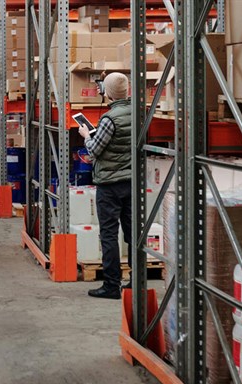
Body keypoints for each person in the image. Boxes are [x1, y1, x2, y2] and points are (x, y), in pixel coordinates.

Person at [77, 72, 132, 300]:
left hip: (110, 184)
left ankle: (111, 285)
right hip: (131, 181)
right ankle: (136, 281)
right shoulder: (136, 113)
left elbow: (94, 150)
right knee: (132, 233)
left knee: (109, 234)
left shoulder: (110, 119)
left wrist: (86, 135)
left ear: (106, 93)